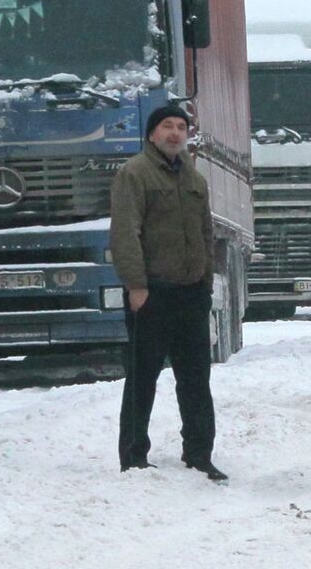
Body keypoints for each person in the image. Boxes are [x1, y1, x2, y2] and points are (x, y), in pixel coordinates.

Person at [109, 102, 225, 481]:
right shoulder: (135, 174)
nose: (175, 133)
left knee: (195, 379)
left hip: (191, 294)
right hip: (153, 294)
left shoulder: (194, 180)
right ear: (151, 134)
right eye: (167, 127)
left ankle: (199, 454)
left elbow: (207, 234)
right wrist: (137, 286)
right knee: (143, 379)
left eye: (181, 127)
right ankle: (133, 457)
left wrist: (206, 281)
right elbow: (126, 232)